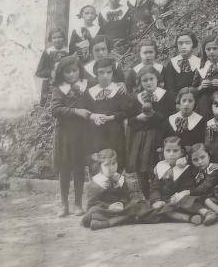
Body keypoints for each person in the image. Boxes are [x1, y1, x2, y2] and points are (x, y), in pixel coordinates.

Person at [48, 56, 93, 217]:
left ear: (80, 70)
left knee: (79, 168)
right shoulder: (59, 90)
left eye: (75, 70)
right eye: (67, 72)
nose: (72, 74)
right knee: (65, 169)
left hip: (81, 134)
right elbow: (55, 110)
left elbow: (91, 105)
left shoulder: (85, 87)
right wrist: (76, 111)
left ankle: (78, 204)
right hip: (64, 134)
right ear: (61, 74)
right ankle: (64, 205)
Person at [125, 65, 173, 201]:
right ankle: (147, 198)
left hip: (159, 135)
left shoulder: (166, 95)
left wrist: (153, 114)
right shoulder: (135, 98)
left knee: (156, 168)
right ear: (140, 82)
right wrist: (137, 118)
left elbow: (169, 118)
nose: (149, 83)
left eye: (151, 79)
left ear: (157, 79)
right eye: (145, 80)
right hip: (140, 138)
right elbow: (129, 120)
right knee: (142, 169)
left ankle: (159, 196)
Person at [85, 57, 135, 168]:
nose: (105, 75)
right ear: (96, 74)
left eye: (109, 72)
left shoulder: (119, 90)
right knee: (98, 164)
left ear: (113, 73)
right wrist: (93, 116)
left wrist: (111, 118)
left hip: (115, 133)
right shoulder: (89, 93)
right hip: (96, 133)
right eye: (101, 72)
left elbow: (127, 111)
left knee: (116, 162)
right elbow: (85, 111)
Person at [80, 149, 145, 230]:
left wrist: (121, 203)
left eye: (113, 164)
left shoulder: (120, 178)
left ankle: (105, 223)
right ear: (100, 166)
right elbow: (91, 204)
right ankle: (124, 219)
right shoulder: (96, 182)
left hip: (121, 209)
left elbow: (125, 196)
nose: (111, 168)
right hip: (105, 210)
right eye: (106, 165)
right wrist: (108, 206)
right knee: (92, 212)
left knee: (138, 204)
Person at [194, 35, 218, 117]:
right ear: (204, 50)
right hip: (204, 106)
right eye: (208, 49)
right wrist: (201, 87)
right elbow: (193, 89)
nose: (211, 51)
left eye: (215, 48)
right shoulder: (201, 67)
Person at [35, 28, 69, 106]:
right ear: (51, 39)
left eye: (60, 37)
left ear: (64, 38)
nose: (57, 40)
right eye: (54, 37)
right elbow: (39, 72)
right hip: (49, 86)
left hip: (65, 84)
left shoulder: (68, 52)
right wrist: (50, 73)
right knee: (49, 108)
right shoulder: (47, 52)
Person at [166, 87, 205, 153]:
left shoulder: (201, 121)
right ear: (179, 101)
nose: (186, 104)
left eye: (190, 101)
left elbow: (202, 144)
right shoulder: (170, 120)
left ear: (195, 102)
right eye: (184, 100)